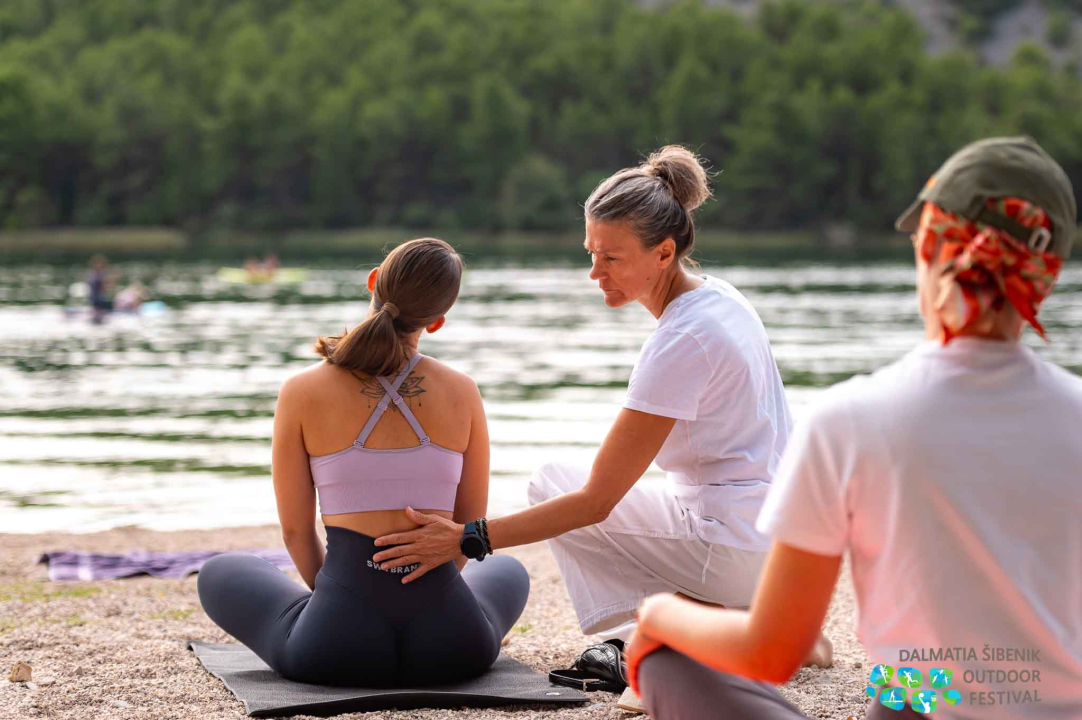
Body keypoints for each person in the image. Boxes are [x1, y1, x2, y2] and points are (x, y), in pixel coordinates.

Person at [624, 136, 1082, 720]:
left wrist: (658, 615)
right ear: (1043, 277)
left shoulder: (852, 419)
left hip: (917, 704)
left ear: (930, 250)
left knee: (669, 660)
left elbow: (773, 652)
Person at [371, 146, 830, 666]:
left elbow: (595, 503)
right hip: (776, 541)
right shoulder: (721, 298)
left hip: (739, 548)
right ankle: (740, 618)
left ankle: (672, 636)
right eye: (591, 252)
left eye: (611, 258)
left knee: (555, 483)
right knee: (574, 484)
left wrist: (468, 539)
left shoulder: (682, 339)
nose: (595, 272)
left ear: (663, 252)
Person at [198, 238, 530, 687]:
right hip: (453, 644)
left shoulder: (301, 392)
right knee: (508, 568)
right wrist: (419, 599)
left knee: (220, 571)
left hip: (335, 645)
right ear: (436, 321)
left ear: (372, 281)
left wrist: (343, 601)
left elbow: (296, 531)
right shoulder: (463, 391)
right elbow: (468, 528)